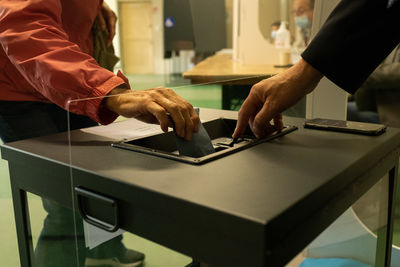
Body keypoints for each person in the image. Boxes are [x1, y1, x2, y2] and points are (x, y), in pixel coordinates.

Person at [0, 1, 198, 267]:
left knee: (100, 177)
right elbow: (22, 25)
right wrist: (107, 91)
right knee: (63, 199)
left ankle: (104, 251)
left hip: (68, 81)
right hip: (17, 88)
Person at [233, 0, 400, 139]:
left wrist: (305, 72)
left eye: (302, 11)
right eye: (295, 13)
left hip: (387, 109)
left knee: (302, 111)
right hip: (367, 100)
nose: (299, 17)